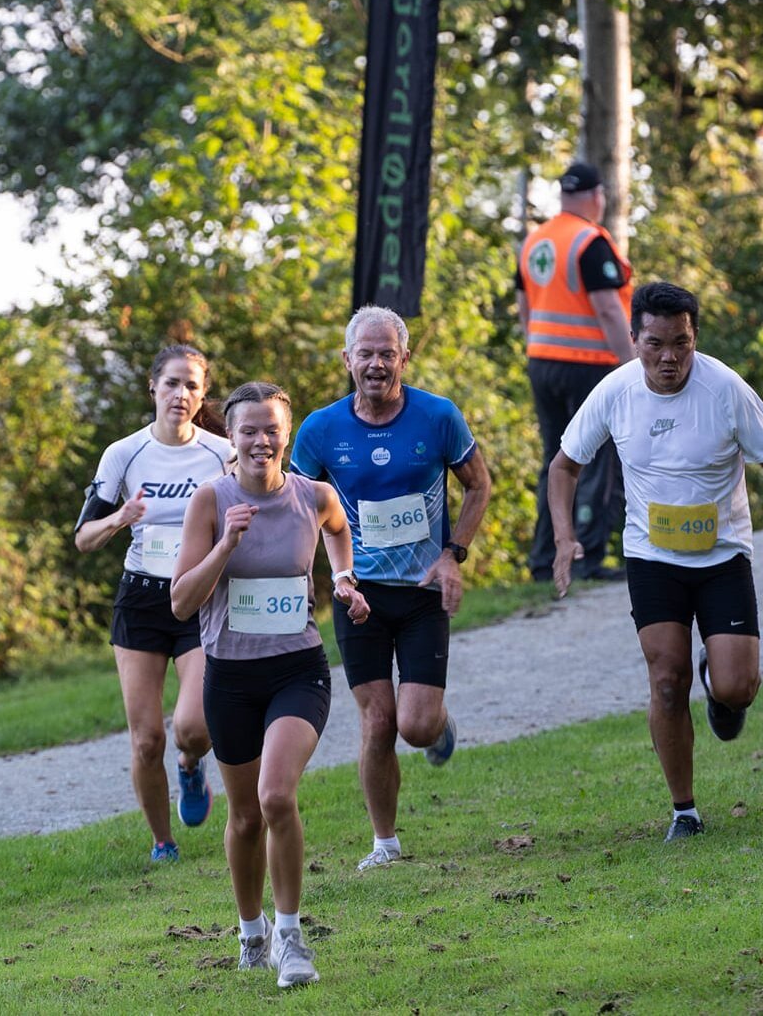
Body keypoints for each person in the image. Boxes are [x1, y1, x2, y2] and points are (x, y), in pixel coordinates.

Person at [548, 281, 763, 842]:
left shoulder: (725, 389)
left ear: (694, 338)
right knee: (665, 680)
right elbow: (564, 466)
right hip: (652, 556)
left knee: (738, 686)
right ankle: (684, 811)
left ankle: (720, 689)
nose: (668, 358)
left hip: (721, 557)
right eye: (655, 344)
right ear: (634, 338)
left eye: (681, 344)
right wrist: (565, 537)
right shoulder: (615, 391)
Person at [171, 381, 369, 988]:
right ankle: (250, 930)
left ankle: (290, 935)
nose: (261, 440)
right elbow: (181, 602)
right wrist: (227, 541)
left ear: (287, 434)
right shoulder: (211, 500)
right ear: (229, 437)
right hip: (229, 675)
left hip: (297, 670)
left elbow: (339, 529)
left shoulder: (314, 495)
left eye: (271, 429)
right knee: (246, 817)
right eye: (248, 430)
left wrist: (342, 578)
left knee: (276, 796)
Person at [290, 305, 492, 872]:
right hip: (359, 597)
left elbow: (479, 486)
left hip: (424, 590)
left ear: (405, 358)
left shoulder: (438, 417)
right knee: (378, 721)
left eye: (387, 353)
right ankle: (385, 844)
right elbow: (298, 510)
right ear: (347, 359)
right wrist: (313, 579)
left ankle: (436, 722)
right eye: (365, 353)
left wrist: (454, 555)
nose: (376, 364)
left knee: (417, 724)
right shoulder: (321, 430)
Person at [74, 344, 233, 864]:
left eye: (191, 385)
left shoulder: (221, 453)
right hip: (141, 600)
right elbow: (83, 538)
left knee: (194, 726)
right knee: (146, 741)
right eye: (172, 384)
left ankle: (191, 765)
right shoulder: (124, 454)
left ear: (203, 394)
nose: (181, 394)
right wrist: (122, 517)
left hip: (200, 598)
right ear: (153, 389)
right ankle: (163, 843)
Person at [517, 160, 634, 582]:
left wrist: (537, 349)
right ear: (597, 197)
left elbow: (524, 308)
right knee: (596, 458)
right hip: (589, 366)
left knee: (556, 459)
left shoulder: (535, 242)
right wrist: (634, 367)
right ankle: (587, 557)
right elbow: (607, 308)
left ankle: (544, 559)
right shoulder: (590, 242)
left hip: (542, 362)